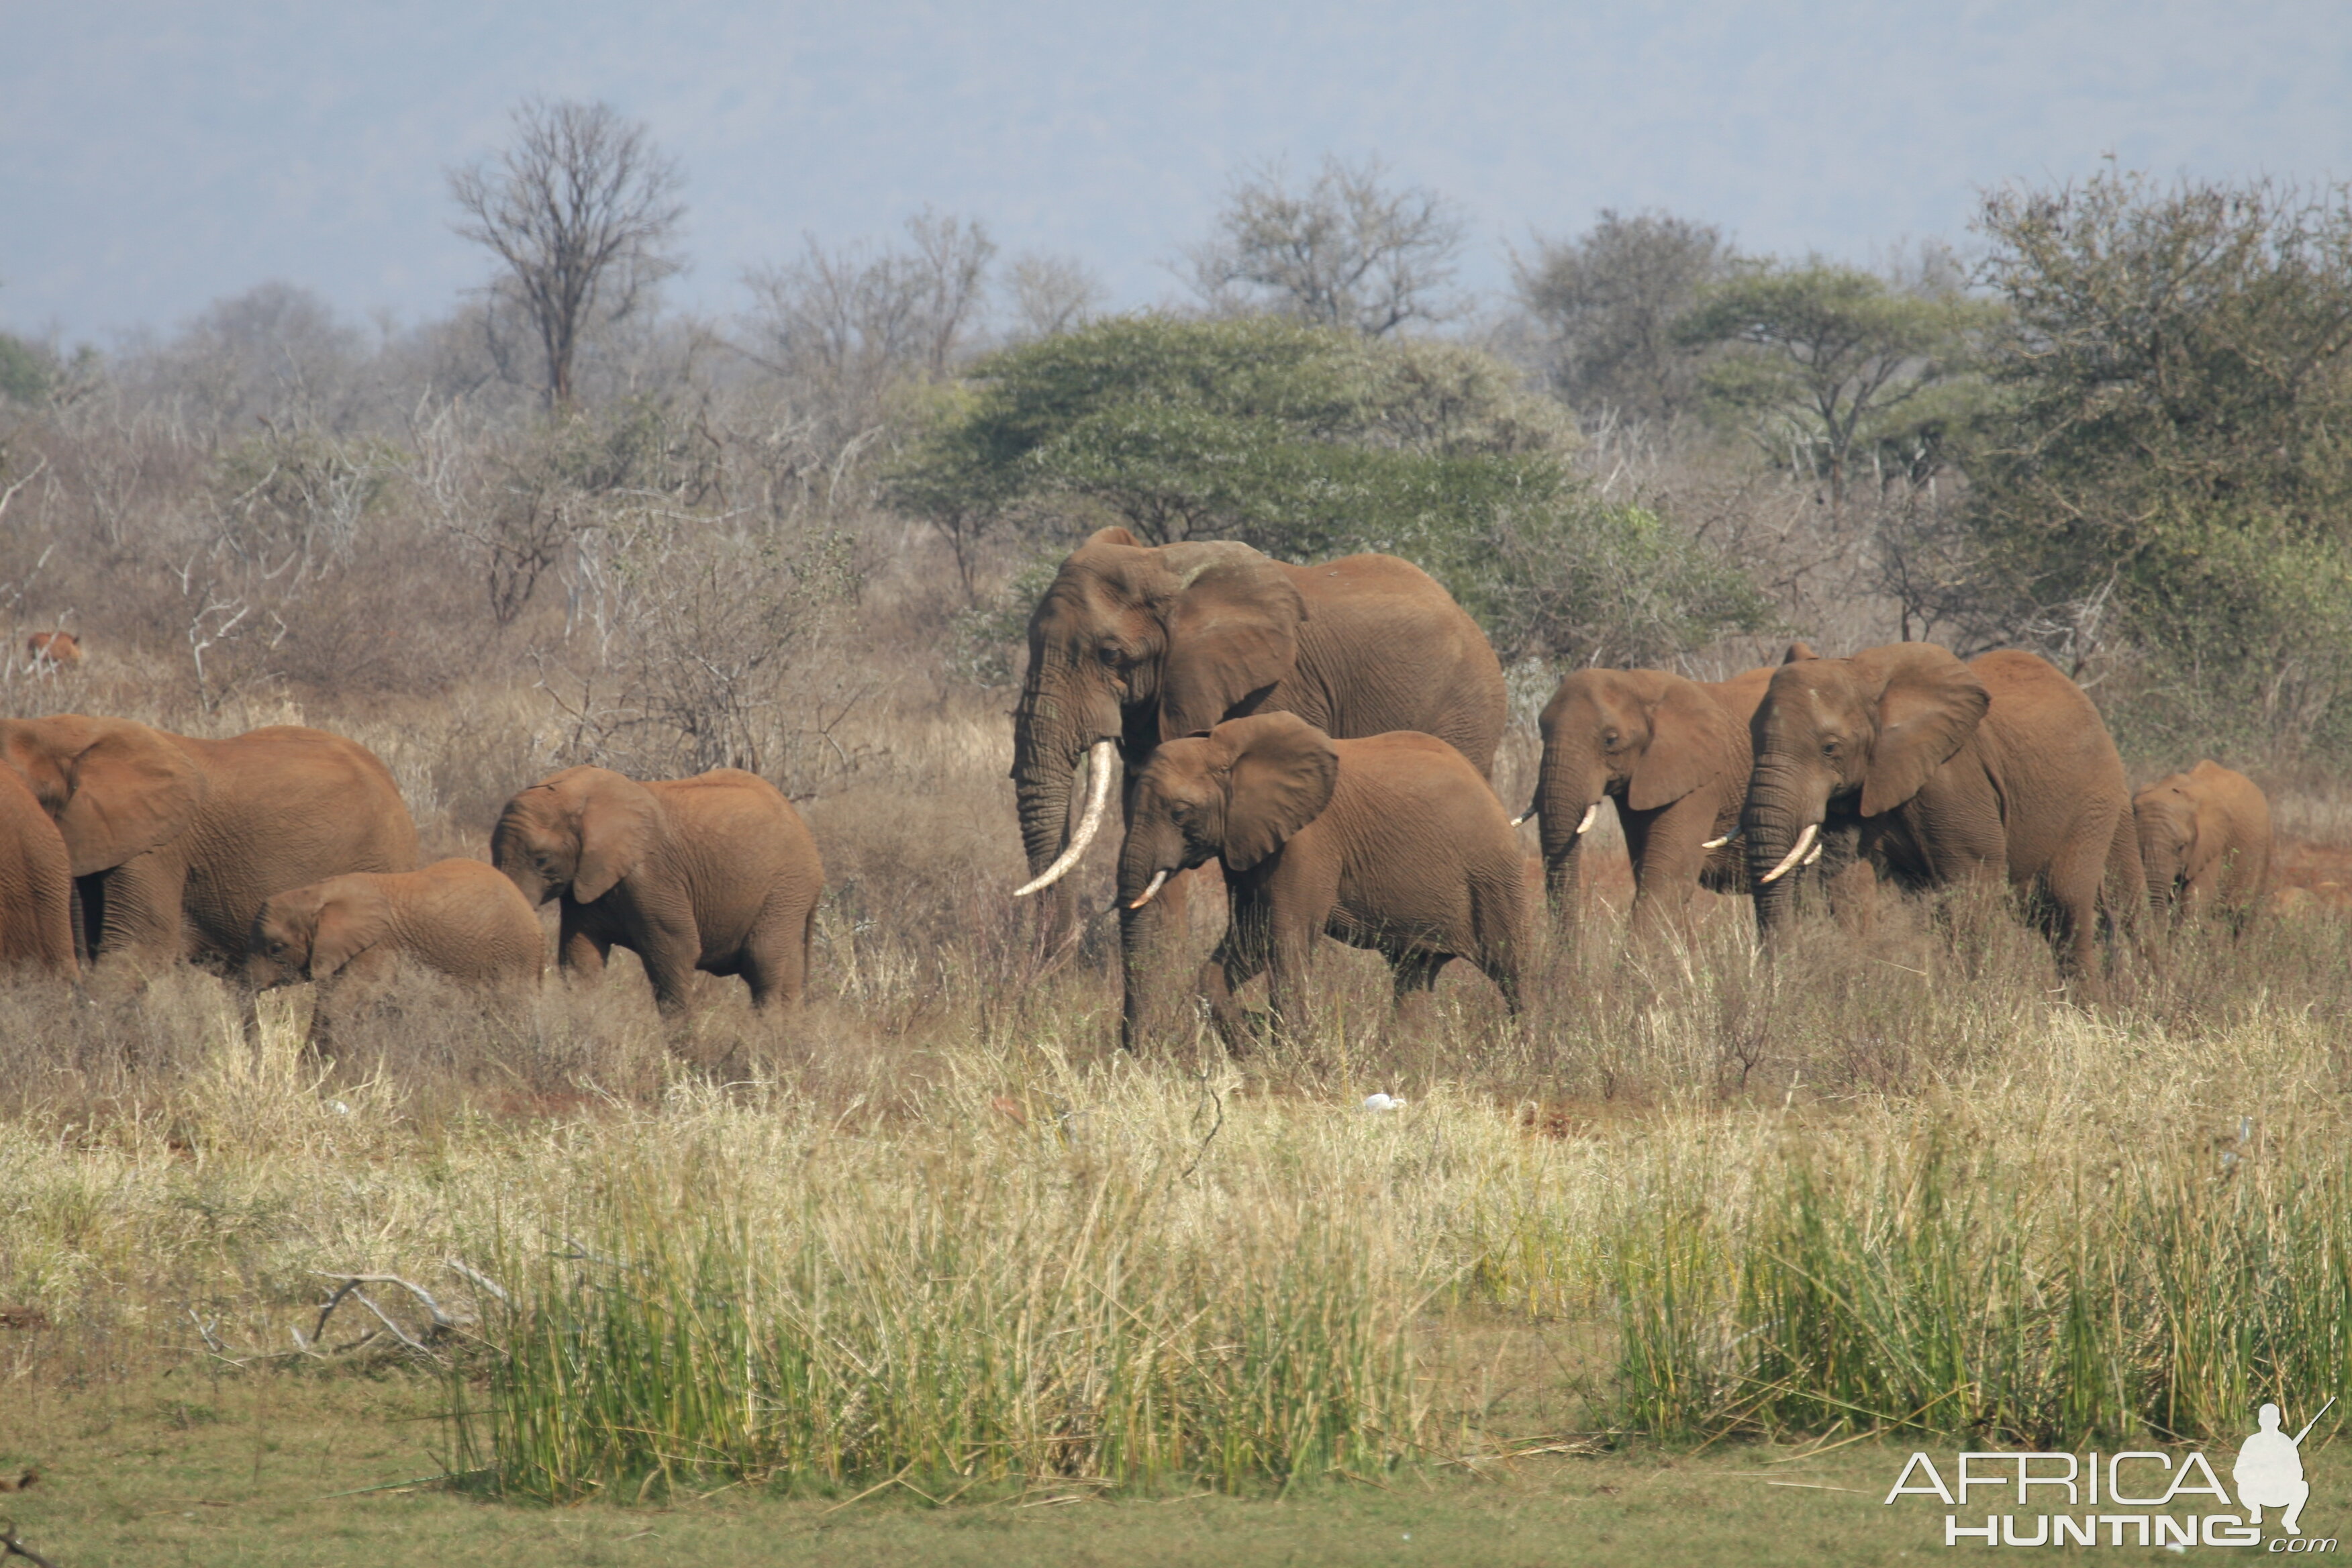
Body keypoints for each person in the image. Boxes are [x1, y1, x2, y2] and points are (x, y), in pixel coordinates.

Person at [2235, 1402, 2310, 1534]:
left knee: (2303, 1486)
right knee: (2242, 1486)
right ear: (2260, 1421)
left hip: (2280, 1491)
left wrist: (2283, 1469)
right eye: (2266, 1419)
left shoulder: (2286, 1442)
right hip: (2258, 1491)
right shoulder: (2252, 1442)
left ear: (2279, 1421)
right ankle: (2255, 1510)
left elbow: (2299, 1473)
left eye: (2273, 1419)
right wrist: (2259, 1470)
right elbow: (2238, 1472)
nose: (2269, 1423)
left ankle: (2289, 1521)